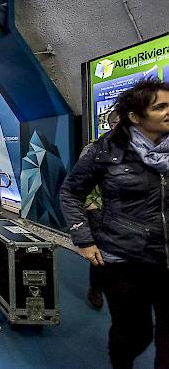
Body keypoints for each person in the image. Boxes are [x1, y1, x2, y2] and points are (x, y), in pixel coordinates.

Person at [60, 80, 169, 369]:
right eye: (160, 107)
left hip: (165, 258)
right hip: (123, 257)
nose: (168, 112)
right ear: (134, 116)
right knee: (136, 332)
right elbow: (71, 192)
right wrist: (83, 238)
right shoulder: (104, 151)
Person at [82, 110, 120, 310]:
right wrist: (90, 203)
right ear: (113, 125)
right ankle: (96, 288)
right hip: (101, 209)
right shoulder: (94, 149)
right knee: (102, 253)